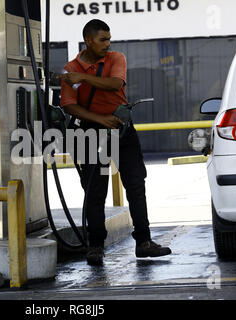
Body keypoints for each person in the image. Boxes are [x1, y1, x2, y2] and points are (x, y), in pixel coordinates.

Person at [60, 19, 172, 265]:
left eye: (109, 39)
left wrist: (84, 78)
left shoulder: (116, 58)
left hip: (122, 130)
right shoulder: (70, 69)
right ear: (88, 40)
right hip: (90, 131)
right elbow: (69, 105)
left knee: (135, 184)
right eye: (103, 40)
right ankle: (95, 247)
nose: (107, 44)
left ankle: (144, 242)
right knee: (95, 190)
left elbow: (115, 84)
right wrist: (100, 119)